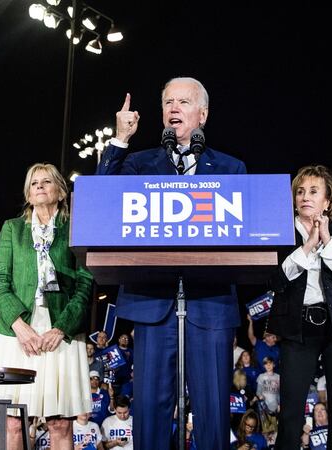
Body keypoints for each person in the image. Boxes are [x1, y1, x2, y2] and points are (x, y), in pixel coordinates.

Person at [95, 77, 246, 449]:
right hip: (152, 302)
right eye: (168, 102)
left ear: (203, 114)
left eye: (183, 101)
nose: (173, 108)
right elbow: (100, 198)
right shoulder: (139, 163)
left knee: (212, 412)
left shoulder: (231, 169)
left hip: (210, 304)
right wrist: (120, 140)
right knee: (150, 411)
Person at [0, 162, 94, 449]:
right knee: (11, 422)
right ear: (27, 192)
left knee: (60, 423)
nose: (39, 187)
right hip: (18, 334)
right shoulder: (12, 229)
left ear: (60, 192)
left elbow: (86, 284)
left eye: (46, 182)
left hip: (61, 334)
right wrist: (19, 325)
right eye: (34, 183)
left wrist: (62, 328)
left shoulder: (76, 228)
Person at [268, 164, 332, 450]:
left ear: (327, 201)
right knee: (292, 413)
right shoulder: (280, 233)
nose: (305, 196)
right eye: (299, 191)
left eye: (313, 191)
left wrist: (326, 240)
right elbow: (276, 280)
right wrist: (308, 245)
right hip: (297, 330)